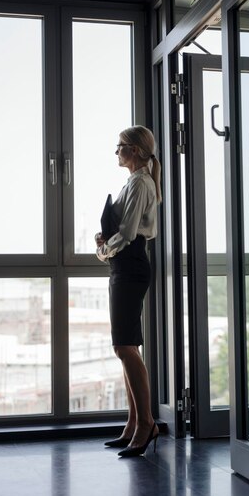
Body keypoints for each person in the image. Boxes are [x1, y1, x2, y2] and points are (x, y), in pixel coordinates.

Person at [95, 125, 161, 458]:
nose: (116, 151)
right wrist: (106, 246)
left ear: (134, 150)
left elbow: (128, 232)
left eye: (120, 146)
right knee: (126, 346)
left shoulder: (139, 183)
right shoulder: (135, 181)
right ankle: (134, 423)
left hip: (130, 265)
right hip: (126, 265)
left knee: (124, 347)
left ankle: (146, 422)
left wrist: (105, 250)